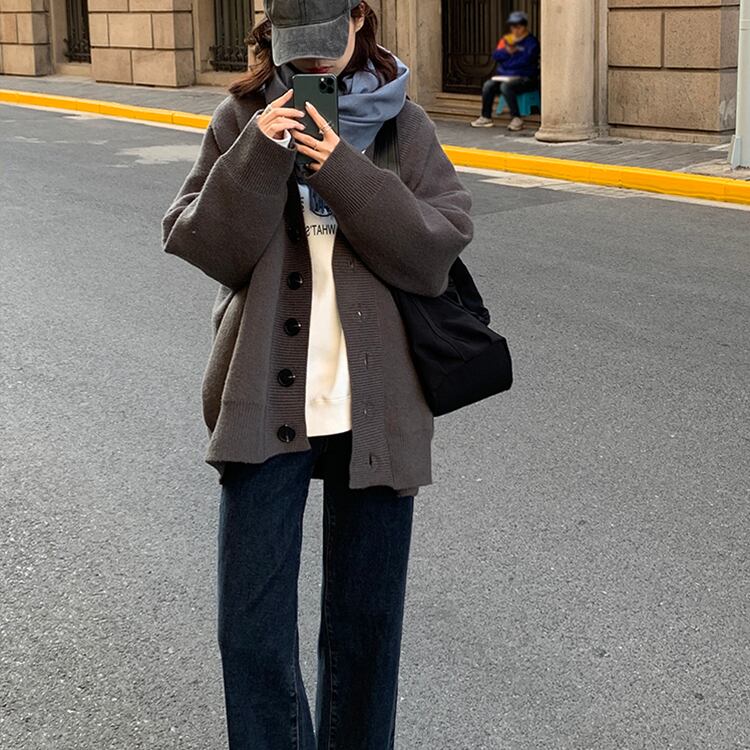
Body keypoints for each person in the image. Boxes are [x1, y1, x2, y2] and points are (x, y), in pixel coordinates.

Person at [160, 1, 474, 748]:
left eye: (328, 39)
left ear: (359, 19)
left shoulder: (403, 126)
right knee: (251, 630)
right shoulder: (242, 119)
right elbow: (205, 245)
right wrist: (258, 156)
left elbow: (433, 254)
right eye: (297, 44)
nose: (316, 60)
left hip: (377, 407)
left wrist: (340, 170)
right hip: (264, 399)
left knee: (366, 629)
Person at [471, 10, 540, 131]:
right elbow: (496, 55)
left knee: (506, 87)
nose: (515, 30)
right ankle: (485, 117)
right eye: (513, 27)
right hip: (507, 76)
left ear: (524, 27)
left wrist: (508, 63)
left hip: (526, 78)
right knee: (488, 85)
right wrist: (507, 52)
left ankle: (516, 118)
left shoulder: (531, 42)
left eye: (518, 27)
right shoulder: (507, 40)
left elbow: (525, 61)